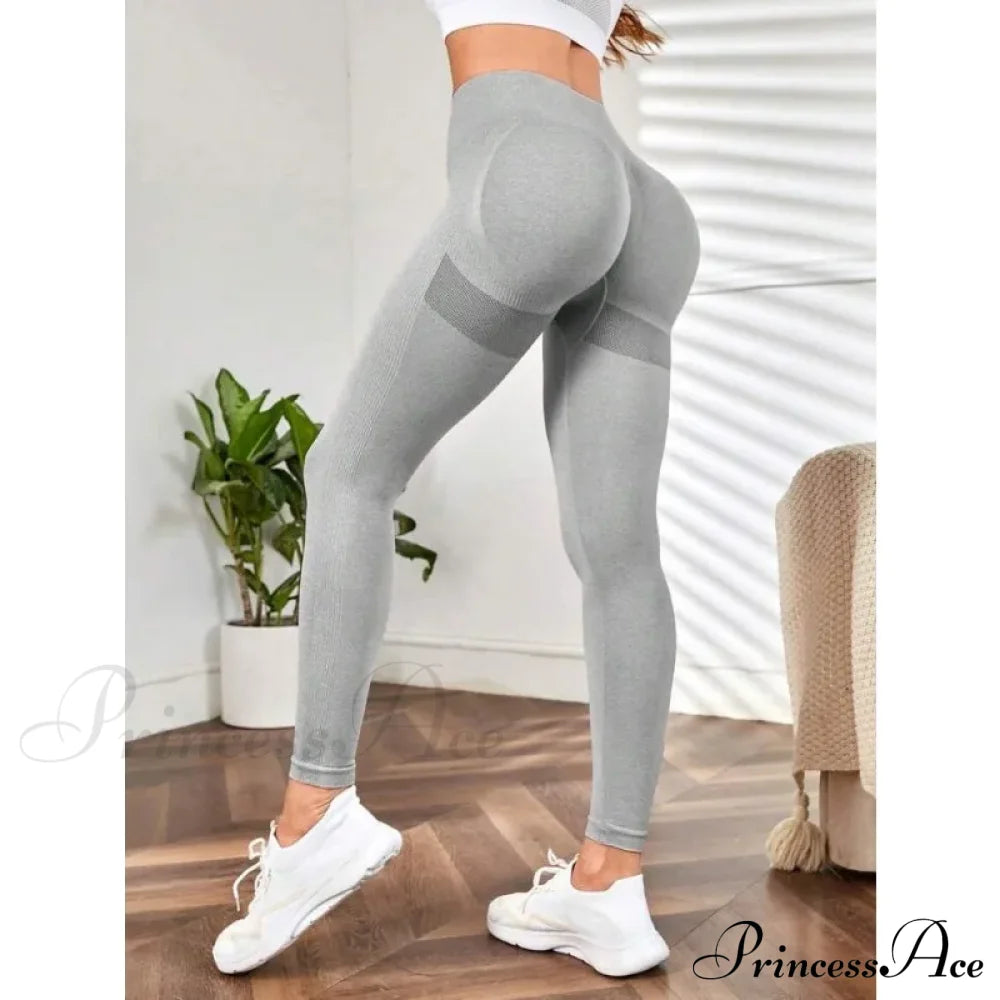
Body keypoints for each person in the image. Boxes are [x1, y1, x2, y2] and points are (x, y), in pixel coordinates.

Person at [213, 0, 700, 979]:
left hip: (534, 173)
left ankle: (315, 813)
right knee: (620, 554)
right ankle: (609, 882)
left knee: (349, 470)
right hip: (643, 205)